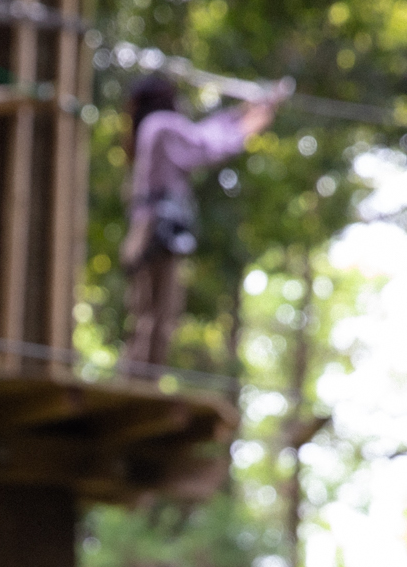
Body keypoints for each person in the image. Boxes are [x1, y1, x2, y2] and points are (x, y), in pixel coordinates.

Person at [120, 74, 288, 367]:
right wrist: (248, 126)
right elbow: (205, 146)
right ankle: (137, 384)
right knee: (154, 317)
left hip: (153, 229)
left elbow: (202, 132)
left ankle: (141, 381)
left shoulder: (155, 127)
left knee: (155, 315)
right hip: (155, 230)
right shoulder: (160, 125)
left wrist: (241, 115)